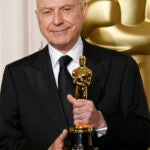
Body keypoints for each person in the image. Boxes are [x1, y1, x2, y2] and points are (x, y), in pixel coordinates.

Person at [0, 0, 149, 150]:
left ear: (83, 10)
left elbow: (144, 135)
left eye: (66, 9)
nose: (57, 21)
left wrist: (101, 122)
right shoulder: (16, 75)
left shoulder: (122, 66)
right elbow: (5, 144)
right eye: (47, 12)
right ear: (37, 16)